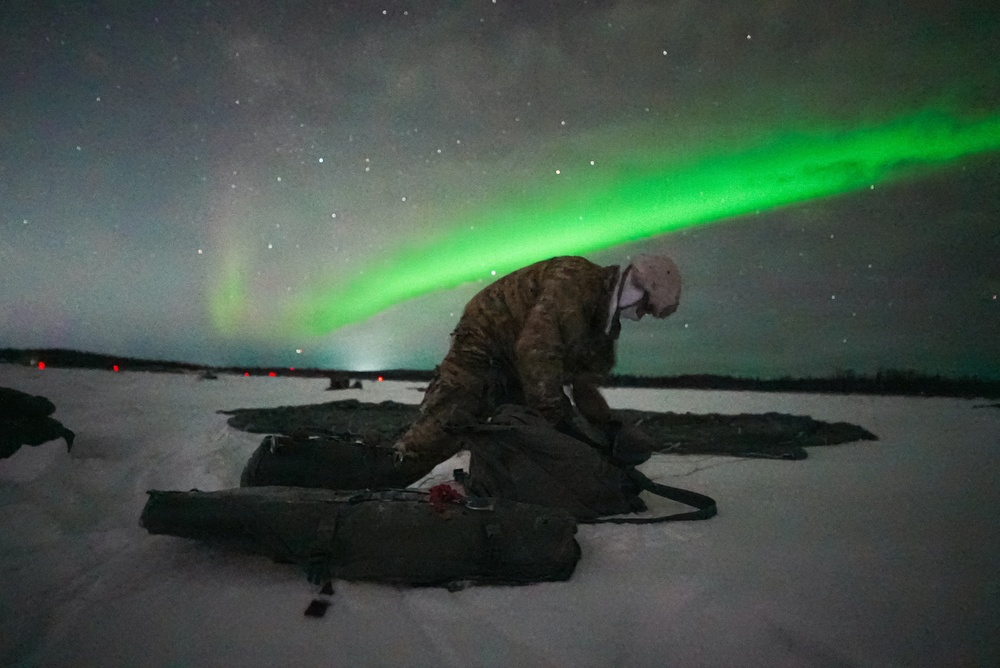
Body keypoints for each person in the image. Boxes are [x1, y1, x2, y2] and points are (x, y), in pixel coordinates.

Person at [394, 253, 681, 468]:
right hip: (485, 343)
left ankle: (500, 484)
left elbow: (584, 385)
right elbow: (536, 348)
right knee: (448, 425)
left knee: (520, 434)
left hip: (518, 366)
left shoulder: (602, 331)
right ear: (636, 288)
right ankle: (386, 468)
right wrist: (556, 418)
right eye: (645, 307)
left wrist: (608, 427)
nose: (642, 316)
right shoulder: (575, 280)